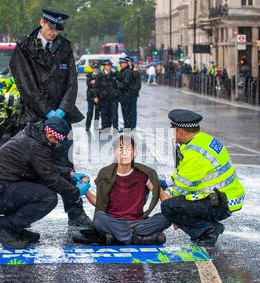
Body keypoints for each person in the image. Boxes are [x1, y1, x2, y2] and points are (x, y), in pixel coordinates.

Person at [9, 8, 91, 227]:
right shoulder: (23, 48)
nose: (54, 32)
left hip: (61, 117)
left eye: (58, 29)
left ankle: (75, 213)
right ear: (42, 22)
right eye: (51, 27)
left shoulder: (64, 46)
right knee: (26, 166)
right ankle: (20, 217)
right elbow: (26, 86)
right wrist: (47, 112)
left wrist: (62, 110)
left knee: (65, 163)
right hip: (33, 116)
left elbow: (72, 83)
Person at [0, 118, 91, 248]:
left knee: (40, 191)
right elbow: (50, 177)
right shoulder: (35, 145)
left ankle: (15, 230)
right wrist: (76, 192)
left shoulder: (33, 137)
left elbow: (43, 167)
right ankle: (5, 228)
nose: (56, 144)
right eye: (56, 140)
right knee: (47, 198)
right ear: (49, 134)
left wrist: (70, 173)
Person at [160, 109, 245, 247]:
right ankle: (209, 226)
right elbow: (185, 173)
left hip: (220, 203)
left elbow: (183, 187)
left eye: (173, 130)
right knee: (176, 204)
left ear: (180, 131)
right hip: (227, 197)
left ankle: (208, 230)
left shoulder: (194, 152)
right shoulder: (204, 140)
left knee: (169, 207)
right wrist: (167, 182)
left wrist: (164, 193)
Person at [73, 135, 172, 246]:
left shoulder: (144, 174)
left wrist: (174, 215)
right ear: (114, 152)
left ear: (135, 153)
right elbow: (99, 203)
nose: (124, 153)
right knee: (99, 218)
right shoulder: (105, 174)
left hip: (138, 222)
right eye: (120, 149)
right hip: (113, 221)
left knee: (167, 216)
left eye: (128, 149)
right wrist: (85, 190)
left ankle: (117, 238)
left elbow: (162, 196)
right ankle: (136, 239)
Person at [96, 60, 120, 131]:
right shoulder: (100, 75)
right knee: (104, 114)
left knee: (114, 114)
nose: (108, 67)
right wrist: (95, 96)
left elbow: (121, 79)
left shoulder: (114, 74)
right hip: (104, 98)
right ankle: (105, 128)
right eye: (106, 66)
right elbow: (96, 87)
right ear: (104, 67)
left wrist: (115, 72)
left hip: (113, 98)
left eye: (109, 66)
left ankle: (115, 128)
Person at [116, 57, 133, 130]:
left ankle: (127, 127)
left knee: (126, 113)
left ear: (126, 64)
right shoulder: (123, 71)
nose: (120, 65)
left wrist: (117, 84)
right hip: (123, 95)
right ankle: (127, 126)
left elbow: (125, 84)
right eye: (120, 63)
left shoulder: (127, 72)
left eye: (122, 63)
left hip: (126, 95)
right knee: (125, 112)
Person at [85, 63, 101, 132]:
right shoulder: (89, 75)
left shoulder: (100, 75)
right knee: (90, 112)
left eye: (96, 68)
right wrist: (92, 82)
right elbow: (88, 83)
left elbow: (99, 84)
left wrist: (94, 82)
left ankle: (96, 127)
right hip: (90, 96)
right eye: (94, 68)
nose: (95, 69)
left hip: (98, 96)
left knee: (97, 113)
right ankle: (87, 126)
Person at [129, 59, 142, 129]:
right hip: (127, 94)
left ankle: (133, 125)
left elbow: (138, 84)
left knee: (133, 109)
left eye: (129, 61)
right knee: (128, 110)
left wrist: (134, 90)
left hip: (133, 93)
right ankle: (128, 124)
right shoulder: (127, 70)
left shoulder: (135, 71)